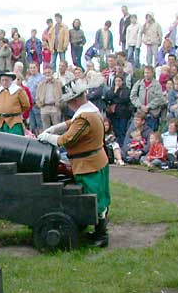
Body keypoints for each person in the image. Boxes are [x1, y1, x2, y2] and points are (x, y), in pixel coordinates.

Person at [38, 79, 111, 247]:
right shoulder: (90, 111)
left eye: (69, 102)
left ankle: (102, 236)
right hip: (94, 161)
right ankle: (99, 232)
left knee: (95, 200)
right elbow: (72, 123)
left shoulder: (85, 116)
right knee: (99, 198)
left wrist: (48, 136)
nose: (68, 105)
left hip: (89, 164)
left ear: (76, 100)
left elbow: (67, 140)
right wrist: (55, 128)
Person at [130, 66, 166, 131]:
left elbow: (159, 98)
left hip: (152, 114)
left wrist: (149, 106)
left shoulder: (157, 85)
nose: (146, 74)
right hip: (140, 113)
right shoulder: (139, 83)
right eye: (145, 73)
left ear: (152, 73)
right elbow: (133, 96)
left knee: (151, 133)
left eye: (148, 73)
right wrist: (140, 106)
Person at [104, 75, 132, 146]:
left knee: (122, 131)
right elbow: (107, 98)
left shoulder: (126, 89)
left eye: (119, 81)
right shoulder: (111, 90)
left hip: (123, 114)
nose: (117, 82)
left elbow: (124, 98)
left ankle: (122, 146)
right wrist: (115, 92)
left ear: (122, 81)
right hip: (113, 114)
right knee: (115, 131)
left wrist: (115, 98)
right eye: (116, 81)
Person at [25, 62, 44, 135]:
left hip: (37, 104)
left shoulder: (42, 78)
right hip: (30, 105)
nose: (32, 69)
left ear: (37, 68)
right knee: (32, 124)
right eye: (31, 68)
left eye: (34, 67)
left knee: (40, 123)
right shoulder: (29, 79)